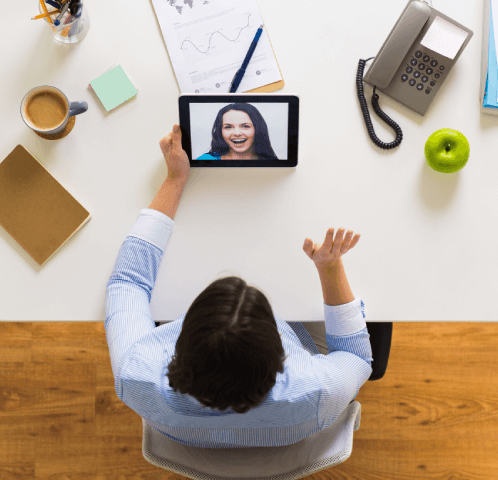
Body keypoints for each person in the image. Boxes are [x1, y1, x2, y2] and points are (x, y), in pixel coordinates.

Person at [105, 125, 374, 449]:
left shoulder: (136, 374)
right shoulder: (316, 390)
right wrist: (330, 269)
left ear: (183, 340)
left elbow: (128, 280)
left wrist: (175, 180)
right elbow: (356, 358)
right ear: (279, 355)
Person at [196, 103, 279, 160]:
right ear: (220, 131)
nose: (237, 133)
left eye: (245, 126)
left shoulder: (273, 163)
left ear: (257, 129)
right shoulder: (205, 160)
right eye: (228, 127)